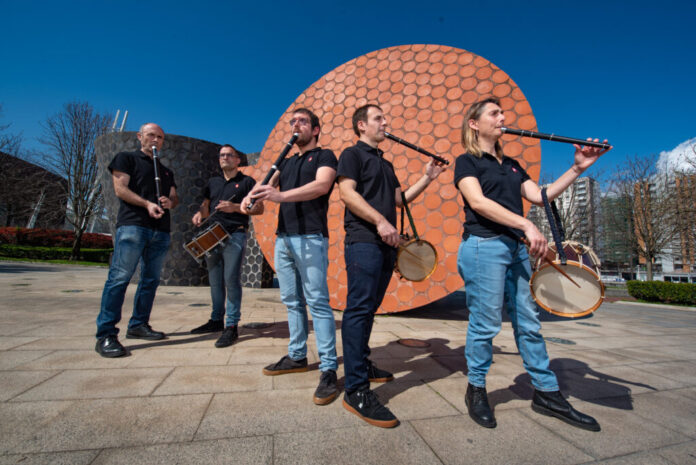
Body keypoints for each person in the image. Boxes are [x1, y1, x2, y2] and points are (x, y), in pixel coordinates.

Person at [454, 97, 610, 430]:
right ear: (474, 124)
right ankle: (476, 388)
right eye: (494, 113)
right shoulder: (467, 162)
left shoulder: (511, 164)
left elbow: (541, 195)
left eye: (502, 113)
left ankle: (546, 392)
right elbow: (478, 203)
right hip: (483, 246)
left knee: (528, 322)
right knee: (485, 324)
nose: (502, 117)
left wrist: (579, 167)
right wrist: (526, 225)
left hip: (515, 249)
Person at [337, 104, 445, 427]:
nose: (386, 123)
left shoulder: (385, 162)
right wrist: (381, 221)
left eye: (385, 119)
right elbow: (346, 193)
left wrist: (428, 177)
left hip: (386, 245)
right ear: (361, 126)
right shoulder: (351, 155)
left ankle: (362, 364)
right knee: (358, 310)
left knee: (369, 310)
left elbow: (401, 199)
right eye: (379, 119)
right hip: (363, 242)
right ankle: (355, 390)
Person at [243, 108, 340, 405]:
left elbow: (322, 186)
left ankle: (328, 368)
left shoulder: (325, 156)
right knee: (291, 301)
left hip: (310, 236)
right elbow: (262, 199)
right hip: (283, 238)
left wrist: (280, 196)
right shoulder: (284, 162)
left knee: (318, 302)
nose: (296, 126)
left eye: (302, 122)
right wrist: (250, 201)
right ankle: (297, 356)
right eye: (293, 122)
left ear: (315, 130)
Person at [95, 123, 178, 357]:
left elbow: (174, 196)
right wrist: (147, 203)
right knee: (119, 278)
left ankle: (139, 325)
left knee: (150, 280)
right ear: (140, 136)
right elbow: (120, 189)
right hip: (133, 225)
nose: (156, 140)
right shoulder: (125, 158)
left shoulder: (166, 170)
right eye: (151, 135)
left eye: (160, 137)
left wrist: (170, 202)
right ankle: (106, 334)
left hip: (160, 230)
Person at [189, 144, 263, 348]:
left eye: (230, 155)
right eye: (222, 155)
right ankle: (215, 320)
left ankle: (231, 326)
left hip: (235, 234)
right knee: (215, 281)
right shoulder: (213, 182)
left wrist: (235, 208)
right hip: (211, 237)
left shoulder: (247, 182)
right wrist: (200, 213)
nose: (225, 158)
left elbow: (259, 209)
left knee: (231, 280)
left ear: (238, 160)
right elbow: (205, 205)